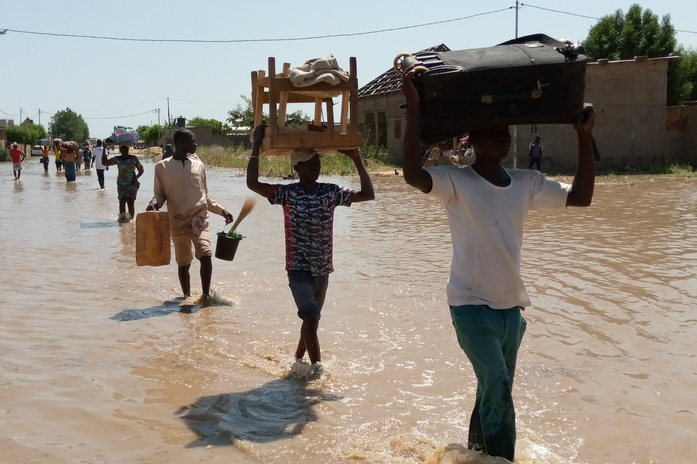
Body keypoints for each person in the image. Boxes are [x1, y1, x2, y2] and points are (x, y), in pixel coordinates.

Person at [401, 67, 596, 462]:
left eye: (505, 128)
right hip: (470, 306)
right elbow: (411, 175)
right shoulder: (455, 181)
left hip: (510, 311)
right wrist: (415, 111)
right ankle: (502, 459)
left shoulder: (526, 182)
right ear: (472, 141)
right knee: (498, 382)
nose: (502, 134)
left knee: (492, 388)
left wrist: (584, 135)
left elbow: (581, 198)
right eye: (492, 130)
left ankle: (476, 453)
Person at [246, 125, 375, 377]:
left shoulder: (330, 192)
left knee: (311, 320)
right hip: (298, 268)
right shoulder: (287, 193)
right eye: (309, 163)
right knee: (312, 317)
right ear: (297, 168)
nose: (316, 167)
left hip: (323, 268)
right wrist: (255, 146)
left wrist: (357, 160)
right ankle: (317, 370)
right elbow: (253, 183)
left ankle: (296, 361)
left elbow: (368, 194)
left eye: (317, 163)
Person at [146, 129, 234, 302]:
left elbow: (204, 196)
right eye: (192, 141)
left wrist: (222, 210)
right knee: (183, 262)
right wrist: (153, 204)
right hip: (177, 221)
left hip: (199, 219)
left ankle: (206, 295)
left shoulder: (199, 166)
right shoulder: (162, 167)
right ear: (180, 143)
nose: (196, 144)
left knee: (206, 254)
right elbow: (159, 194)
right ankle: (186, 297)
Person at [102, 144, 144, 221]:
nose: (125, 151)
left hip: (132, 184)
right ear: (120, 151)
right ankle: (122, 221)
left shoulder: (134, 158)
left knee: (131, 203)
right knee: (122, 202)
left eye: (126, 150)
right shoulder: (117, 159)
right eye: (123, 150)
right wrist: (104, 149)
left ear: (128, 150)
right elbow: (104, 162)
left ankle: (131, 221)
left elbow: (141, 170)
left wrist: (136, 177)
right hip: (121, 185)